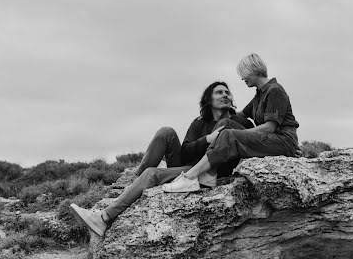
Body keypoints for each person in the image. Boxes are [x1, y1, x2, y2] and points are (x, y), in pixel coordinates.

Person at [69, 81, 253, 237]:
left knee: (152, 174)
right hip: (187, 166)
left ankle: (103, 218)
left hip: (208, 173)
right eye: (219, 92)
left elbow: (251, 143)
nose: (225, 95)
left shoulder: (240, 122)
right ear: (209, 99)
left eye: (227, 92)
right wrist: (207, 139)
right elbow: (187, 150)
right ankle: (135, 183)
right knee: (166, 132)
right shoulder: (199, 123)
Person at [162, 53, 299, 192]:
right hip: (272, 140)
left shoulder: (275, 90)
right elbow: (238, 115)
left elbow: (270, 127)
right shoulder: (259, 94)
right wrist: (205, 116)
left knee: (229, 134)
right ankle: (210, 173)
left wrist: (236, 135)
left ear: (253, 70)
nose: (242, 78)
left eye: (243, 74)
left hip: (282, 141)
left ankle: (190, 178)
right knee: (226, 123)